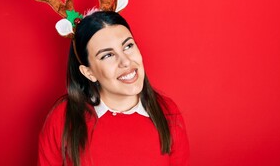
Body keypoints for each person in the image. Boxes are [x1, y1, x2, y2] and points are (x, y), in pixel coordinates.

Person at [37, 11, 190, 166]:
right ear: (89, 72)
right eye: (107, 55)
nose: (125, 61)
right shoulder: (62, 118)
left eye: (128, 46)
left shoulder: (167, 111)